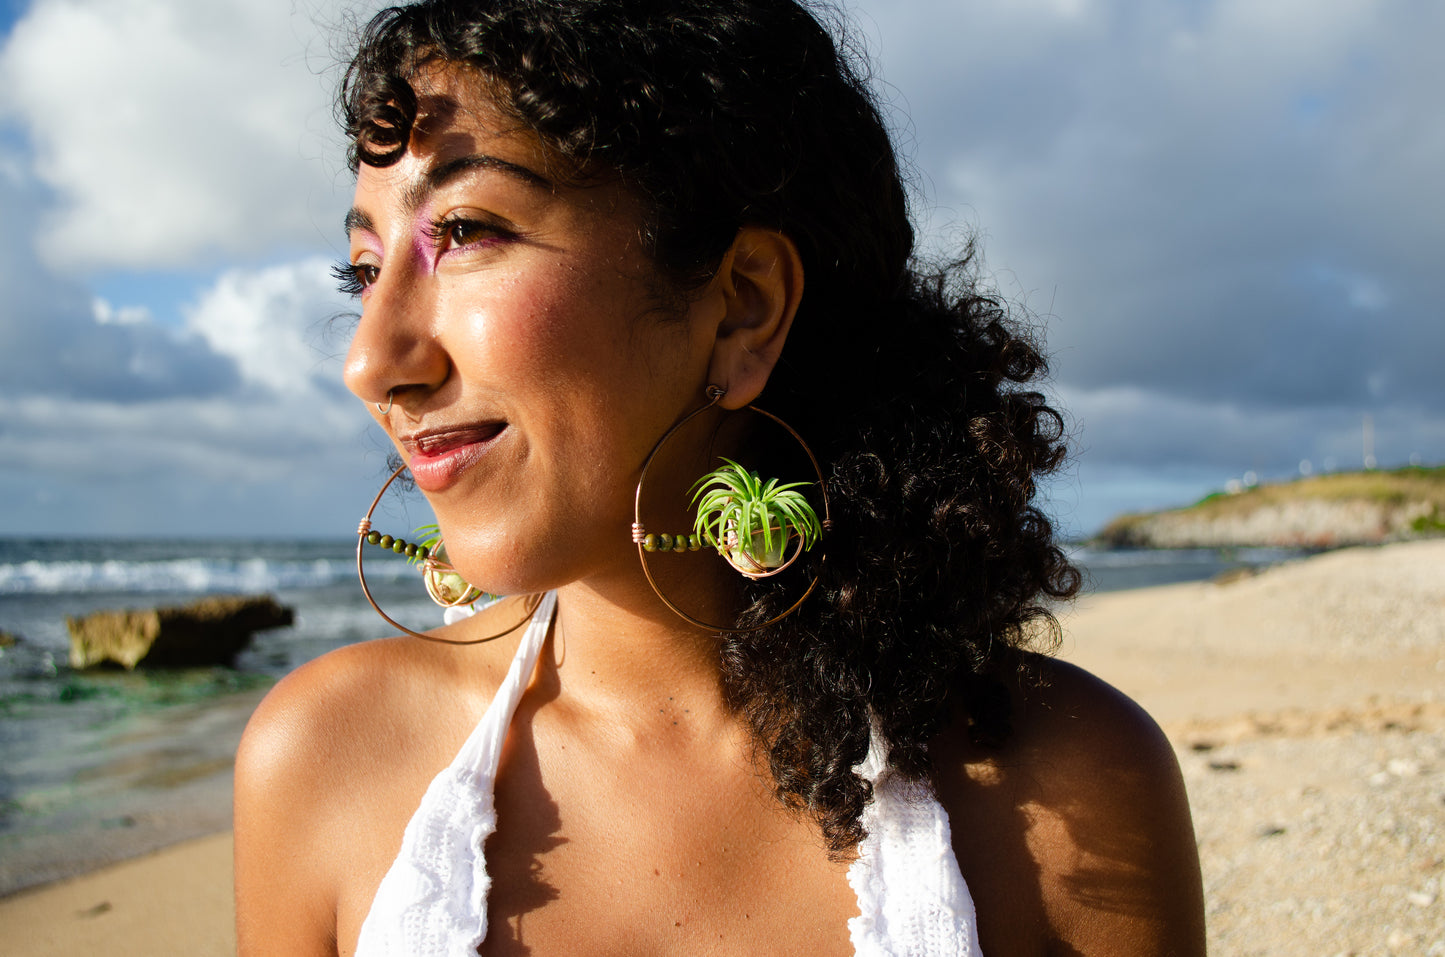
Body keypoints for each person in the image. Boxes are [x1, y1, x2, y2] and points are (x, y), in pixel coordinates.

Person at [234, 1, 1206, 954]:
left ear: (741, 307)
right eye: (362, 271)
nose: (370, 360)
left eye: (466, 231)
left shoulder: (1059, 797)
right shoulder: (323, 760)